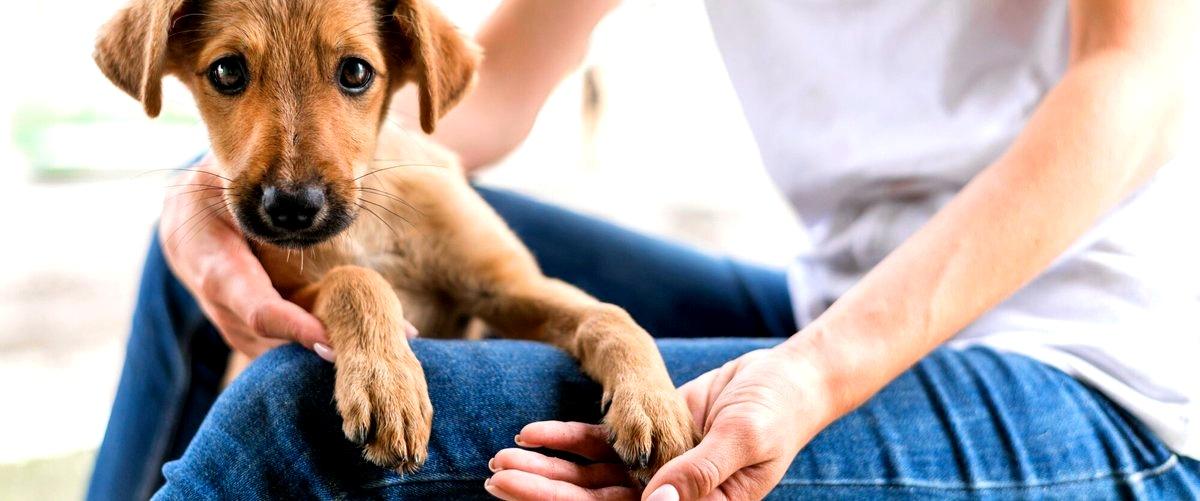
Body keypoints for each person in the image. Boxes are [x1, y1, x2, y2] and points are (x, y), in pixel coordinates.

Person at [88, 1, 1200, 499]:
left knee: (295, 416)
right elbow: (496, 86)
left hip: (1087, 369)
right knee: (199, 258)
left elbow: (1135, 84)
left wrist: (817, 373)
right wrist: (223, 189)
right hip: (827, 300)